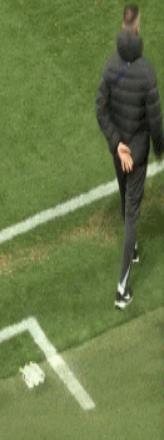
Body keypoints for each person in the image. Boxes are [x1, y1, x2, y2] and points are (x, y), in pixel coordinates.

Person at [96, 4, 162, 309]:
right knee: (132, 212)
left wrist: (116, 144)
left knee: (125, 198)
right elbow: (154, 119)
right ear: (137, 30)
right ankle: (121, 290)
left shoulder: (111, 66)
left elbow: (101, 110)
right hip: (136, 152)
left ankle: (133, 248)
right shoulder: (147, 73)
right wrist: (159, 147)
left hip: (119, 150)